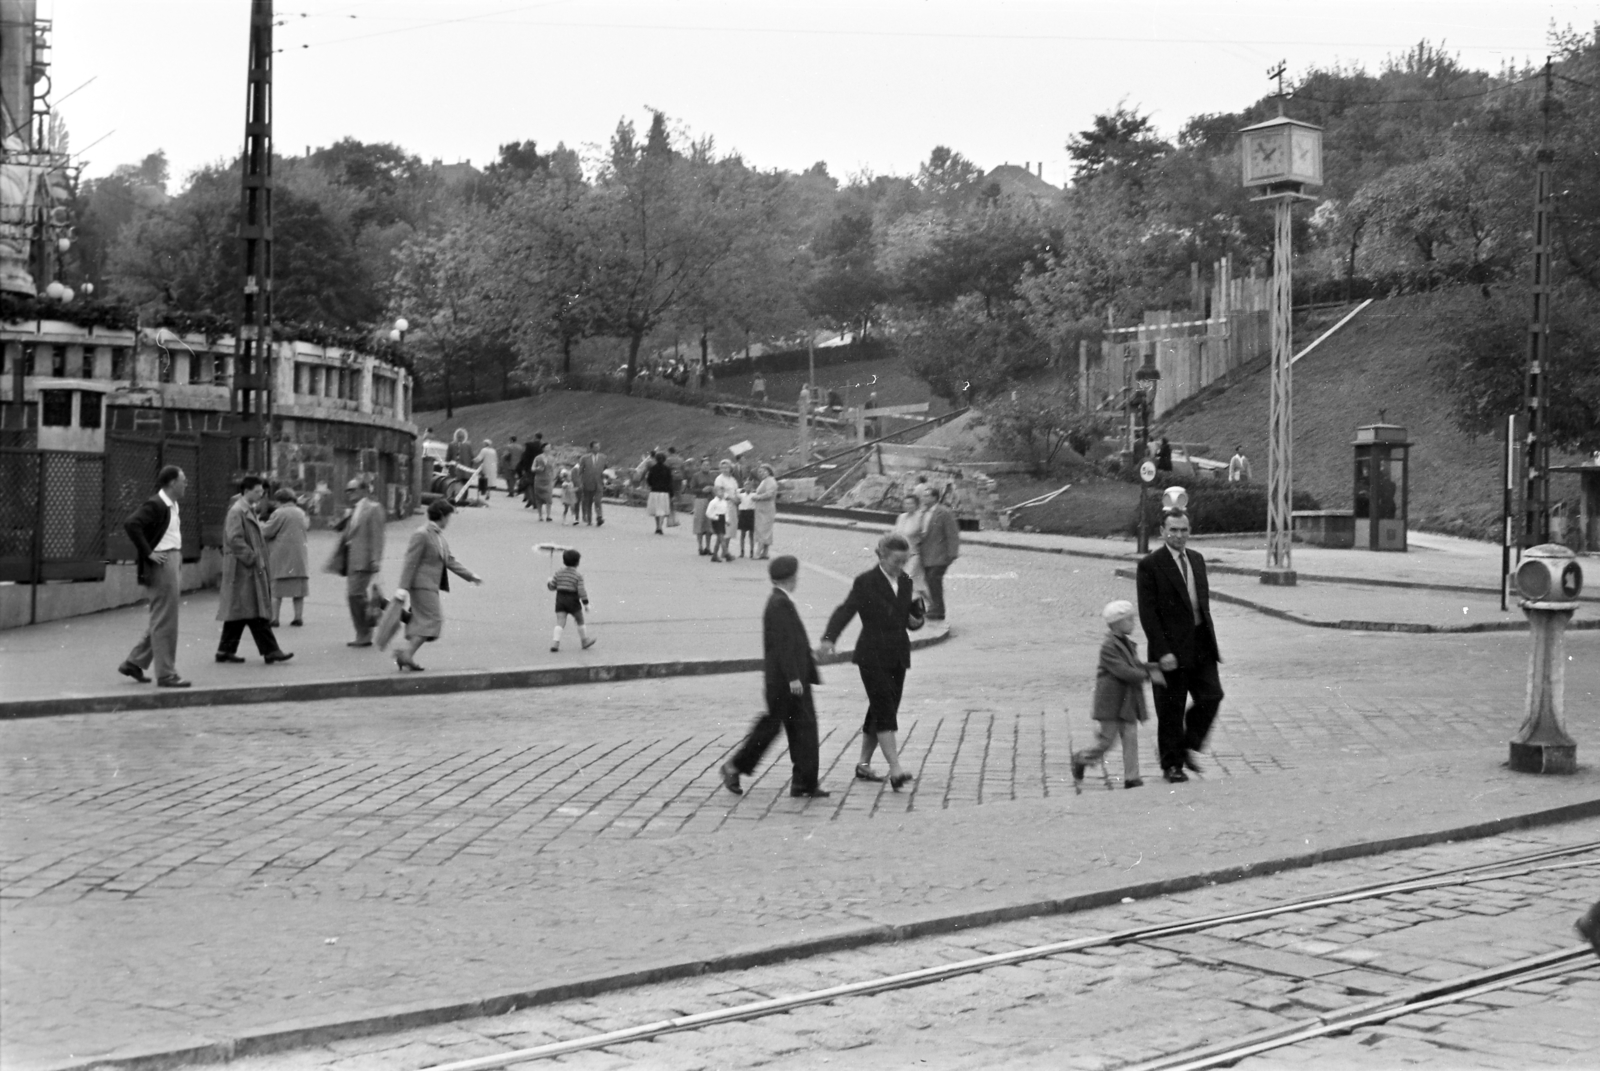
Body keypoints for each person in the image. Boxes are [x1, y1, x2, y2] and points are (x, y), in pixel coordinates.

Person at [818, 532, 925, 791]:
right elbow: (846, 610)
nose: (900, 567)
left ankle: (863, 765)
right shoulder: (866, 582)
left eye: (904, 562)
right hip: (872, 654)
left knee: (881, 709)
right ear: (881, 556)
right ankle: (896, 769)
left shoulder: (907, 581)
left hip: (898, 654)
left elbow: (910, 620)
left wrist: (917, 619)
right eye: (895, 562)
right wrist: (829, 638)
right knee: (885, 709)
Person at [720, 555, 827, 798]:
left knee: (803, 729)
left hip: (790, 679)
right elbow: (782, 645)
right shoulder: (780, 604)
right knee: (778, 727)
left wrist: (809, 659)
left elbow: (792, 643)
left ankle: (805, 782)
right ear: (791, 578)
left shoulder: (780, 601)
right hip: (786, 683)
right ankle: (734, 766)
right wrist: (793, 678)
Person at [1136, 510, 1224, 784]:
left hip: (1200, 643)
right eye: (1173, 530)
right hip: (1171, 649)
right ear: (1162, 531)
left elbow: (1201, 604)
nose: (1179, 535)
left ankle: (1187, 744)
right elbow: (1148, 614)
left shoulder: (1197, 559)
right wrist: (1163, 652)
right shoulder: (1151, 565)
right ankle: (1172, 765)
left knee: (1212, 696)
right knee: (1171, 709)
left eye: (1184, 530)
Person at [1072, 600, 1165, 789]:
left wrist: (1154, 667)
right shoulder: (1109, 646)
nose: (1134, 623)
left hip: (1128, 702)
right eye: (1129, 620)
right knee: (1107, 741)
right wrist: (1148, 675)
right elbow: (1123, 670)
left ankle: (1132, 777)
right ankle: (1082, 759)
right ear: (1117, 623)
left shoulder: (1127, 644)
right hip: (1111, 703)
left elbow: (1135, 665)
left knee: (1130, 737)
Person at [117, 465, 191, 688]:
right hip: (163, 563)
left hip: (170, 559)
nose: (186, 484)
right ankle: (166, 674)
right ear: (171, 483)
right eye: (183, 480)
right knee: (165, 620)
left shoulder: (170, 504)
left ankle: (135, 661)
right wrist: (149, 552)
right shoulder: (157, 504)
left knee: (164, 617)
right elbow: (131, 524)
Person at [394, 499, 482, 671]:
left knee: (426, 621)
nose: (449, 521)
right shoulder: (422, 534)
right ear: (441, 515)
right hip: (421, 585)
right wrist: (402, 588)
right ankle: (406, 654)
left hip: (430, 585)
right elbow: (410, 562)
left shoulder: (438, 536)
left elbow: (449, 560)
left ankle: (406, 653)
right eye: (448, 517)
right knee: (433, 620)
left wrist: (470, 576)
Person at [215, 475, 293, 666]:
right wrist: (252, 558)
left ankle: (224, 651)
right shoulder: (237, 511)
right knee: (254, 611)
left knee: (241, 611)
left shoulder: (246, 509)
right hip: (244, 568)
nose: (261, 495)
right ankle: (271, 651)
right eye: (257, 491)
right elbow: (234, 539)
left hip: (245, 568)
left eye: (262, 492)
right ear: (246, 490)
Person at [338, 477, 387, 648]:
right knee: (356, 596)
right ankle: (364, 630)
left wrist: (375, 560)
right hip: (352, 560)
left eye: (353, 490)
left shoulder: (373, 508)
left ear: (364, 491)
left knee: (355, 596)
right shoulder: (354, 509)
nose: (349, 493)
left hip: (364, 561)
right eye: (347, 490)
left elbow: (377, 536)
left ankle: (366, 631)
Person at [263, 488, 309, 628]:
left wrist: (260, 525)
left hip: (281, 555)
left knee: (277, 590)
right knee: (298, 590)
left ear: (279, 500)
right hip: (299, 555)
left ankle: (274, 619)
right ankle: (298, 617)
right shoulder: (301, 513)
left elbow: (267, 532)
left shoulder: (279, 513)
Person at [917, 484, 961, 622]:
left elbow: (952, 534)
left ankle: (938, 610)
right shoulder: (922, 513)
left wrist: (952, 553)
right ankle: (934, 608)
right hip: (925, 554)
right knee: (929, 581)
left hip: (940, 555)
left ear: (935, 497)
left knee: (934, 580)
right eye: (923, 496)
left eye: (927, 496)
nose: (924, 498)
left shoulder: (944, 513)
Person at [548, 548, 597, 652]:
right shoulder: (577, 576)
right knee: (579, 620)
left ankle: (555, 642)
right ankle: (584, 641)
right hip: (573, 601)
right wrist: (586, 604)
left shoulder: (558, 573)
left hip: (560, 600)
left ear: (563, 561)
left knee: (560, 621)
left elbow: (552, 587)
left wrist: (549, 582)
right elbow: (581, 591)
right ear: (577, 562)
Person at [893, 493, 929, 601]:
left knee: (905, 578)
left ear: (916, 504)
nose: (908, 506)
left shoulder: (921, 517)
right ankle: (934, 604)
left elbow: (926, 535)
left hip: (915, 555)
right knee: (918, 585)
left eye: (911, 503)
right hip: (902, 555)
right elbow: (896, 533)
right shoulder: (901, 517)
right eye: (906, 503)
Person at [751, 463, 779, 560]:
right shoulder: (765, 481)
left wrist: (757, 497)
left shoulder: (770, 481)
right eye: (760, 472)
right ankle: (765, 552)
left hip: (766, 508)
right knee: (765, 529)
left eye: (763, 471)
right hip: (762, 508)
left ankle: (758, 552)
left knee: (763, 529)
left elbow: (770, 494)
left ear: (769, 471)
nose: (761, 473)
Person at [644, 451, 675, 535]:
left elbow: (648, 480)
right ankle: (660, 526)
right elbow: (670, 482)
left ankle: (657, 526)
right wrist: (671, 493)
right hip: (664, 492)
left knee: (656, 510)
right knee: (662, 510)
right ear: (664, 459)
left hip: (654, 491)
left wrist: (652, 485)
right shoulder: (667, 469)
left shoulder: (653, 468)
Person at [690, 457, 716, 555]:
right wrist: (701, 490)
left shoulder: (713, 476)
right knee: (699, 522)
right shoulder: (696, 476)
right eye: (704, 465)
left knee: (709, 524)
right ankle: (700, 546)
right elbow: (691, 489)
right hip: (700, 500)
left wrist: (712, 489)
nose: (706, 467)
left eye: (708, 465)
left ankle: (708, 547)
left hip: (711, 500)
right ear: (700, 466)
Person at [576, 440, 605, 526]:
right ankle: (589, 519)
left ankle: (599, 516)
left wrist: (606, 478)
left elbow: (605, 470)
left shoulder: (603, 457)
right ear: (591, 448)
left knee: (598, 500)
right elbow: (580, 471)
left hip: (599, 483)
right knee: (588, 501)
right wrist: (580, 482)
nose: (597, 448)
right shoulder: (584, 458)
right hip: (587, 483)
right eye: (595, 447)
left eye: (598, 447)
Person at [706, 485, 735, 562]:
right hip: (716, 520)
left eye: (722, 492)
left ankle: (714, 555)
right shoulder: (713, 502)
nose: (721, 493)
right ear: (715, 493)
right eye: (719, 491)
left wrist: (727, 520)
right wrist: (715, 517)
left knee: (719, 540)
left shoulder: (724, 502)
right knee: (722, 538)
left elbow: (726, 512)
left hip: (722, 520)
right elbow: (708, 513)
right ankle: (726, 554)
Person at [531, 447, 555, 521]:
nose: (549, 449)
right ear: (543, 449)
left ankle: (548, 515)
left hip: (548, 480)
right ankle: (540, 515)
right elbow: (532, 468)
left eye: (549, 447)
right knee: (539, 498)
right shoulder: (537, 458)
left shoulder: (552, 458)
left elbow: (554, 468)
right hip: (539, 480)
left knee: (549, 498)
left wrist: (554, 477)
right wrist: (537, 468)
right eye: (547, 447)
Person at [664, 446, 685, 528]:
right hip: (679, 478)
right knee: (676, 496)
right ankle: (675, 518)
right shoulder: (681, 459)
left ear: (669, 452)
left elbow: (666, 469)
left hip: (671, 478)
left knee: (670, 498)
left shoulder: (668, 460)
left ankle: (671, 519)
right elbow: (683, 469)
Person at [736, 479, 756, 557]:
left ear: (751, 487)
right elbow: (735, 492)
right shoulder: (741, 495)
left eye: (749, 485)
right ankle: (742, 551)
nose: (747, 487)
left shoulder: (754, 495)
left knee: (751, 534)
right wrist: (741, 489)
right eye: (746, 485)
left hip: (751, 513)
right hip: (743, 513)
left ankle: (751, 551)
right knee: (742, 534)